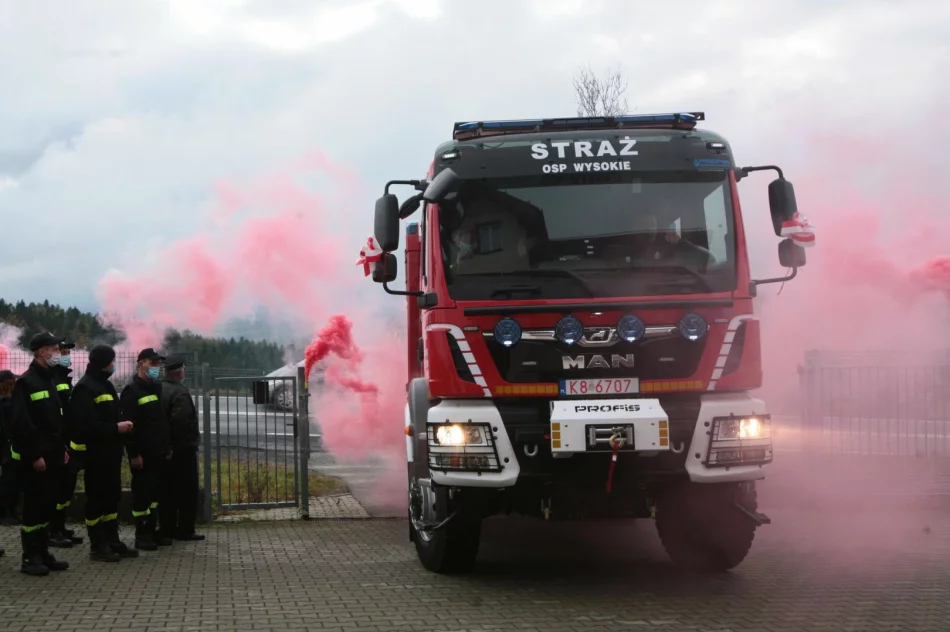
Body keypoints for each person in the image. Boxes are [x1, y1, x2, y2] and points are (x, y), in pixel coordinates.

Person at [9, 332, 71, 576]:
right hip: (38, 458)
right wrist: (35, 455)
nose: (57, 352)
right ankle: (30, 557)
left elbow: (56, 421)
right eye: (54, 348)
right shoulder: (27, 382)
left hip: (54, 455)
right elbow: (21, 425)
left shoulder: (50, 380)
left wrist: (63, 449)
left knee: (47, 505)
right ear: (42, 352)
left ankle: (43, 552)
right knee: (34, 507)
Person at [69, 344, 138, 562]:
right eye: (112, 361)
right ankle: (97, 545)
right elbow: (84, 427)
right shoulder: (85, 388)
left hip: (111, 454)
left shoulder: (105, 386)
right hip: (95, 456)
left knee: (111, 498)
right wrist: (116, 428)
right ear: (103, 363)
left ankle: (112, 539)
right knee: (96, 499)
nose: (114, 365)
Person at [120, 347, 172, 551]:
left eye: (158, 363)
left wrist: (167, 446)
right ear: (141, 363)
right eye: (153, 363)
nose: (156, 367)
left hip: (158, 452)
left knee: (155, 496)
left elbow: (160, 421)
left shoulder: (156, 388)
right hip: (143, 454)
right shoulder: (132, 391)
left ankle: (152, 531)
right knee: (142, 496)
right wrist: (134, 454)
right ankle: (141, 535)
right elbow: (128, 426)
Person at [158, 355, 204, 542]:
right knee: (187, 491)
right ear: (180, 372)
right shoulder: (180, 393)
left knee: (167, 492)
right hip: (182, 451)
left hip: (164, 450)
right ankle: (185, 529)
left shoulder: (158, 388)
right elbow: (182, 424)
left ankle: (166, 529)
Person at [49, 338, 83, 546]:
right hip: (58, 445)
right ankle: (52, 531)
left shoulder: (63, 379)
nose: (66, 356)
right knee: (55, 489)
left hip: (68, 443)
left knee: (65, 489)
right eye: (62, 352)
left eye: (68, 352)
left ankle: (59, 527)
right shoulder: (51, 380)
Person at [0, 369, 20, 530]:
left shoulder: (11, 400)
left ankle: (10, 512)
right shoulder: (6, 402)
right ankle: (7, 513)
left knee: (11, 481)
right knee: (8, 481)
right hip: (6, 447)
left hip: (10, 446)